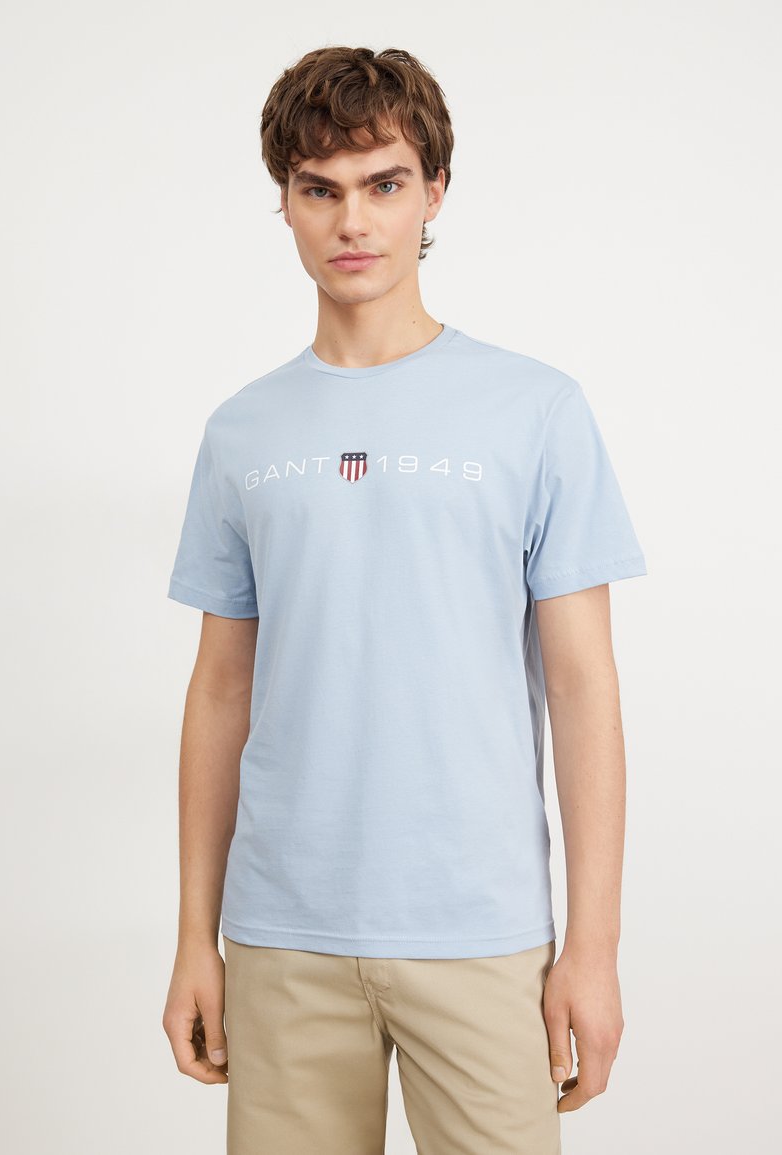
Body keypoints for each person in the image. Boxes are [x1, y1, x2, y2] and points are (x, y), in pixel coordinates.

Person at [161, 44, 648, 1155]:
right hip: (283, 936)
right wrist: (195, 936)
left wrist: (593, 949)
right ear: (284, 202)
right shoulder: (241, 430)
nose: (353, 221)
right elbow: (220, 689)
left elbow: (583, 688)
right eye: (319, 189)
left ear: (433, 191)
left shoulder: (534, 410)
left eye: (383, 183)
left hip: (479, 934)